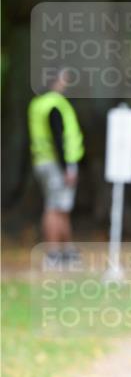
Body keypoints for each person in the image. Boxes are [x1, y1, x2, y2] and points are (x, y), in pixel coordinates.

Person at [28, 69, 84, 263]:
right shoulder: (55, 104)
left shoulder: (38, 103)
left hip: (41, 161)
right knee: (54, 208)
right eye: (64, 79)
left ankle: (66, 250)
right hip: (56, 163)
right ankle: (53, 253)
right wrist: (67, 167)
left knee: (61, 206)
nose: (66, 83)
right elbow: (58, 137)